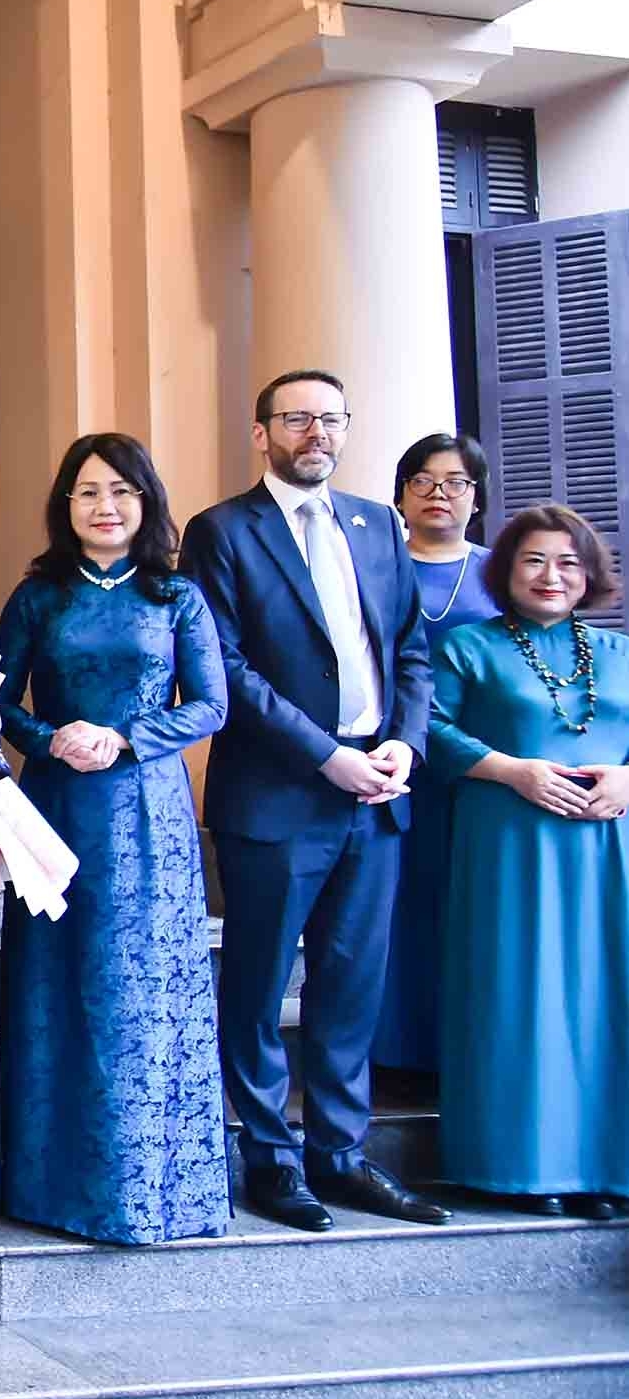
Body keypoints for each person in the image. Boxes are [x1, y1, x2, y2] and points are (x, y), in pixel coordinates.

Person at [179, 368, 447, 1232]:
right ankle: (269, 1160)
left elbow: (409, 649)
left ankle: (341, 1154)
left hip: (379, 788)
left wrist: (404, 740)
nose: (316, 434)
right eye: (297, 419)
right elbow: (226, 669)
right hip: (277, 793)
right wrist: (328, 756)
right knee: (258, 987)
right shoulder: (222, 530)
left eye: (331, 419)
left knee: (350, 982)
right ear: (262, 434)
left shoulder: (378, 524)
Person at [0, 433, 228, 1245]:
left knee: (143, 989)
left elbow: (210, 705)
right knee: (61, 983)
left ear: (147, 501)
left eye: (122, 491)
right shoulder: (38, 597)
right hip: (57, 804)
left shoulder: (177, 597)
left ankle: (154, 1189)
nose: (105, 507)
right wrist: (49, 736)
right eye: (88, 492)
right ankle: (51, 1188)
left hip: (149, 810)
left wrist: (129, 737)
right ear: (66, 505)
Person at [428, 505, 629, 1219]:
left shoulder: (618, 651)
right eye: (534, 561)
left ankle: (606, 1167)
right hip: (509, 840)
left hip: (608, 850)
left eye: (568, 562)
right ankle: (519, 1164)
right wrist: (512, 770)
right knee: (522, 994)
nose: (552, 576)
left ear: (590, 574)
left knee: (607, 998)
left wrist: (628, 777)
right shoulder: (468, 648)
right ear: (506, 570)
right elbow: (429, 727)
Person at [371, 433, 499, 1076]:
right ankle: (397, 1051)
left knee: (469, 905)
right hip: (393, 759)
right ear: (400, 495)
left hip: (478, 768)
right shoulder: (375, 563)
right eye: (422, 480)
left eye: (455, 482)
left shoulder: (503, 571)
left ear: (476, 496)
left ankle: (468, 1048)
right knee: (395, 904)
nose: (438, 494)